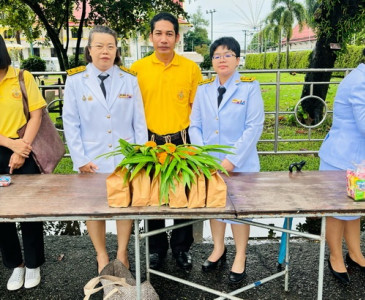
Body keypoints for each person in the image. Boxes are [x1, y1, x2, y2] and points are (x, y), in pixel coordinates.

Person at [63, 25, 148, 274]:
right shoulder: (76, 80)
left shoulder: (129, 79)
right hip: (92, 158)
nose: (105, 52)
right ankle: (101, 254)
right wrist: (80, 158)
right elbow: (70, 122)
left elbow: (139, 122)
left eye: (110, 46)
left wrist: (139, 156)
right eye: (99, 46)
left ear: (116, 50)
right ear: (90, 50)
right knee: (93, 208)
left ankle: (122, 253)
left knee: (124, 207)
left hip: (125, 157)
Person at [131, 12, 203, 270]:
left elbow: (198, 108)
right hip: (149, 142)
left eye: (169, 34)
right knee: (153, 196)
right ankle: (156, 248)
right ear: (150, 37)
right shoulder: (137, 69)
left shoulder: (190, 68)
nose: (163, 39)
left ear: (177, 37)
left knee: (182, 196)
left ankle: (182, 248)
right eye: (158, 33)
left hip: (182, 140)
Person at [189, 37, 264, 283]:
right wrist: (204, 156)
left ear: (238, 59)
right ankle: (218, 248)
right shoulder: (203, 88)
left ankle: (240, 255)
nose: (222, 59)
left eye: (228, 54)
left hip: (241, 164)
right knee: (216, 207)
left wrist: (232, 159)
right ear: (212, 61)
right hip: (210, 162)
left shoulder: (249, 87)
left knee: (239, 210)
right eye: (217, 55)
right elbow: (195, 125)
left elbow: (254, 126)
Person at [0, 35, 45, 290]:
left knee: (30, 210)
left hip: (25, 150)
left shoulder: (21, 76)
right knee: (1, 214)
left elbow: (36, 113)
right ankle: (14, 265)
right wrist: (10, 144)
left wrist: (22, 149)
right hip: (6, 147)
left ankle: (33, 264)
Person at [318, 56, 365, 284]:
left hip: (356, 159)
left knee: (353, 208)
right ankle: (336, 257)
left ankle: (355, 254)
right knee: (337, 211)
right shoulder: (360, 81)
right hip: (341, 158)